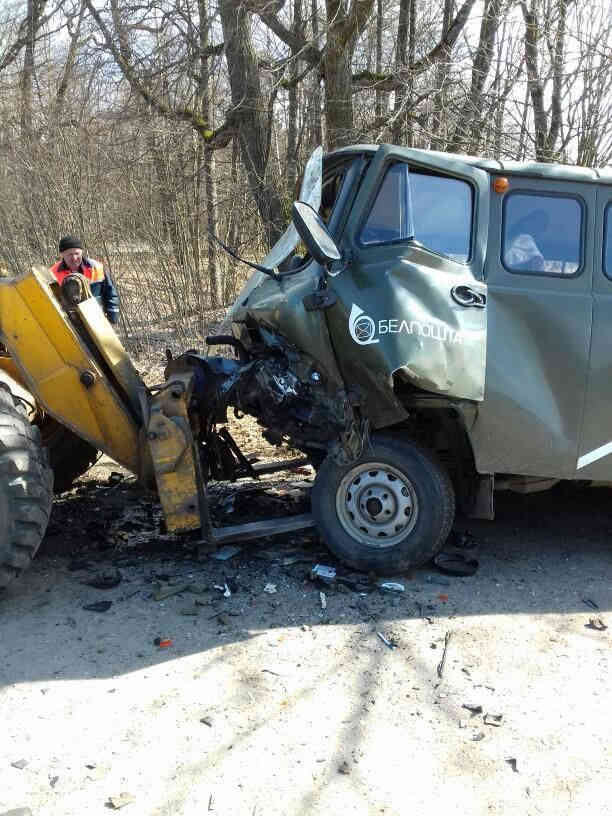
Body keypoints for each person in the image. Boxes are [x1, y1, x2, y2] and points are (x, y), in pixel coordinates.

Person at [50, 235, 120, 324]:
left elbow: (110, 293)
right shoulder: (52, 273)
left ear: (82, 252)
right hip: (70, 323)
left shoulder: (97, 267)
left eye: (77, 253)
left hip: (98, 319)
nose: (74, 258)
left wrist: (112, 316)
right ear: (62, 255)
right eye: (70, 254)